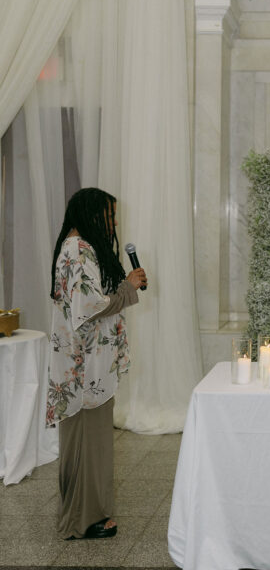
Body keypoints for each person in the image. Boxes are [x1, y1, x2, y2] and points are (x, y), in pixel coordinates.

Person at [46, 188, 147, 540]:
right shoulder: (78, 250)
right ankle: (82, 519)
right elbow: (88, 307)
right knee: (87, 440)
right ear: (91, 214)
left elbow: (88, 299)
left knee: (92, 439)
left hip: (87, 362)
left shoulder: (78, 248)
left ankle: (87, 514)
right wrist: (129, 287)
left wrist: (122, 287)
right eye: (109, 216)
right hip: (84, 365)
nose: (113, 223)